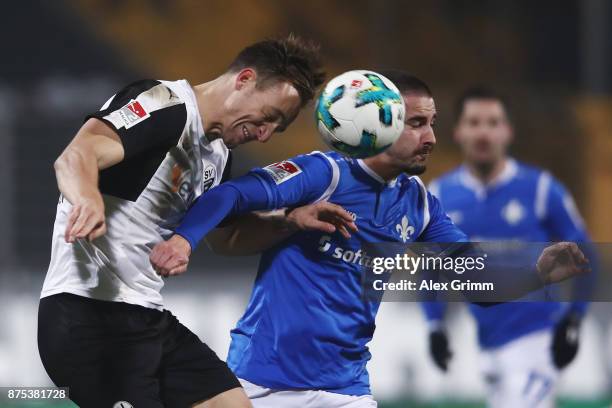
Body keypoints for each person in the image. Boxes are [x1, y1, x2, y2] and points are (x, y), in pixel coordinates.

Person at [150, 70, 589, 408]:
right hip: (263, 383)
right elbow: (230, 194)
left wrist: (538, 273)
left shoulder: (418, 204)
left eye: (432, 123)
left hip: (346, 390)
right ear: (380, 122)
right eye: (417, 124)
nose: (432, 138)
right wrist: (186, 240)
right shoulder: (325, 174)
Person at [38, 35, 325, 408]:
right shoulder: (165, 105)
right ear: (245, 80)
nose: (265, 133)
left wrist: (291, 221)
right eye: (269, 116)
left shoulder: (218, 154)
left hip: (145, 317)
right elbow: (77, 155)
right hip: (87, 317)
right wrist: (87, 196)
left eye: (277, 128)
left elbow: (226, 239)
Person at [421, 87, 594, 408]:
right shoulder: (441, 194)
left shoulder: (540, 189)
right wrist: (435, 325)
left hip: (537, 341)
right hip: (487, 344)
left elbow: (586, 254)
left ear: (508, 131)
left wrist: (574, 320)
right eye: (474, 122)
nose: (483, 132)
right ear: (458, 131)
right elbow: (431, 268)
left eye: (493, 122)